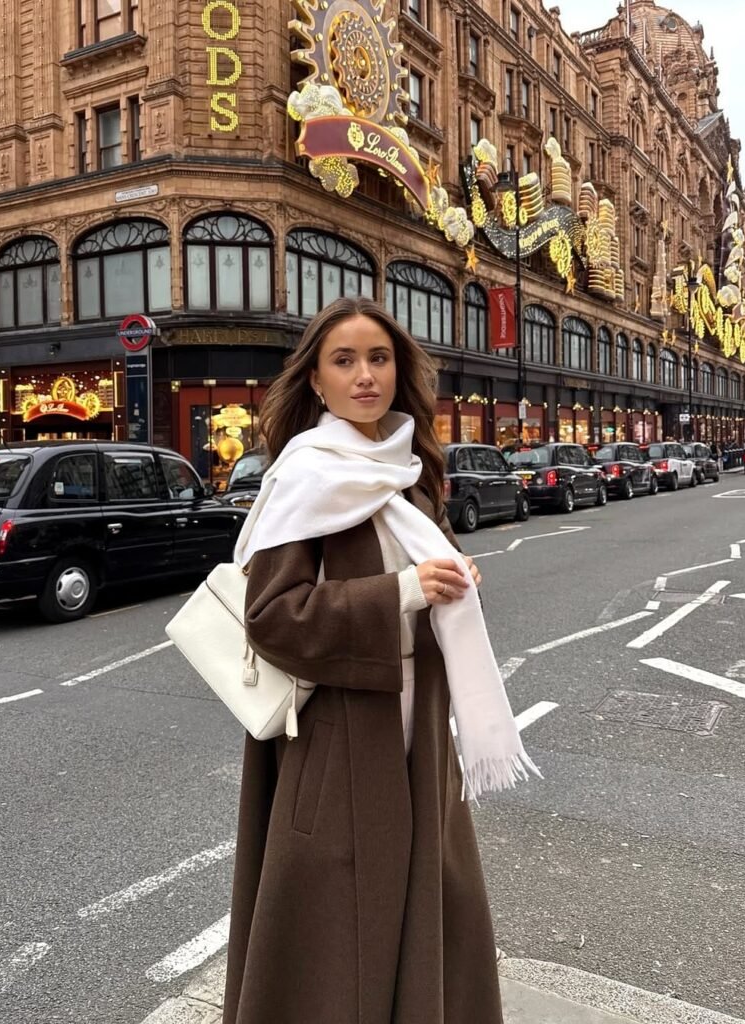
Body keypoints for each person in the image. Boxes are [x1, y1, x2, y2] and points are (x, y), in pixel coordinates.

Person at [222, 297, 539, 1024]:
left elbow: (416, 581)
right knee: (339, 933)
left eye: (378, 358)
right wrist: (399, 591)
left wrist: (447, 578)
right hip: (339, 739)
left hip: (419, 736)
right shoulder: (306, 477)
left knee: (429, 907)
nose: (364, 375)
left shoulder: (407, 471)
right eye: (344, 361)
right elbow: (271, 616)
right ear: (316, 381)